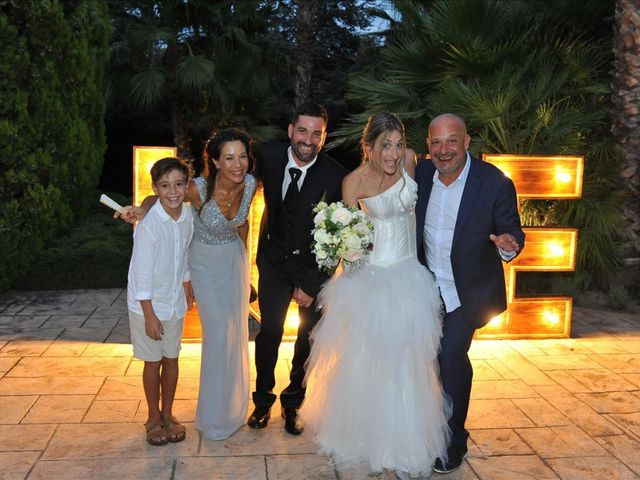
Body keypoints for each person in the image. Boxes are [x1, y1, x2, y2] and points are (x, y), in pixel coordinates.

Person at [300, 112, 451, 478]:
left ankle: (406, 443)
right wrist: (348, 251)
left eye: (399, 145)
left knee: (408, 364)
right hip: (370, 282)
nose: (395, 154)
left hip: (409, 279)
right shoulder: (353, 183)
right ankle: (368, 439)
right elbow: (350, 237)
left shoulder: (413, 161)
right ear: (368, 147)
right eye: (386, 145)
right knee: (367, 363)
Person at [120, 128, 258, 440]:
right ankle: (210, 416)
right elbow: (160, 197)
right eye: (229, 158)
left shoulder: (249, 184)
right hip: (203, 264)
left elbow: (244, 223)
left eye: (242, 157)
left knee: (235, 332)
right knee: (217, 335)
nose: (238, 164)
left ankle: (231, 408)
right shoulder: (198, 188)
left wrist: (247, 270)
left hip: (233, 261)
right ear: (216, 162)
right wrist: (142, 210)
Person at [415, 113, 525, 474]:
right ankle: (427, 428)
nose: (443, 150)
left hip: (468, 292)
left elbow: (512, 233)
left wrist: (508, 245)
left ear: (467, 141)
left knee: (449, 356)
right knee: (426, 362)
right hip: (426, 288)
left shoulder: (493, 183)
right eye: (436, 142)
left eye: (451, 141)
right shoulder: (420, 175)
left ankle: (454, 438)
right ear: (428, 145)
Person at [248, 103, 347, 435]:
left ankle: (293, 404)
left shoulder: (335, 177)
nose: (308, 139)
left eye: (316, 133)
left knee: (306, 339)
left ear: (324, 137)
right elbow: (225, 176)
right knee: (270, 333)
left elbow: (338, 236)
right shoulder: (267, 157)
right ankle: (262, 402)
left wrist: (312, 283)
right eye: (302, 131)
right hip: (273, 265)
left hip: (311, 270)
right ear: (290, 130)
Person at [126, 157, 194, 446]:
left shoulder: (188, 215)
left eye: (179, 184)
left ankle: (168, 414)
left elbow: (184, 255)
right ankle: (153, 418)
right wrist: (150, 315)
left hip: (174, 301)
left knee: (172, 359)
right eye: (165, 186)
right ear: (155, 188)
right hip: (147, 306)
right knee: (152, 363)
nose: (173, 192)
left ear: (187, 186)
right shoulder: (148, 225)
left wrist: (187, 287)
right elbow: (141, 276)